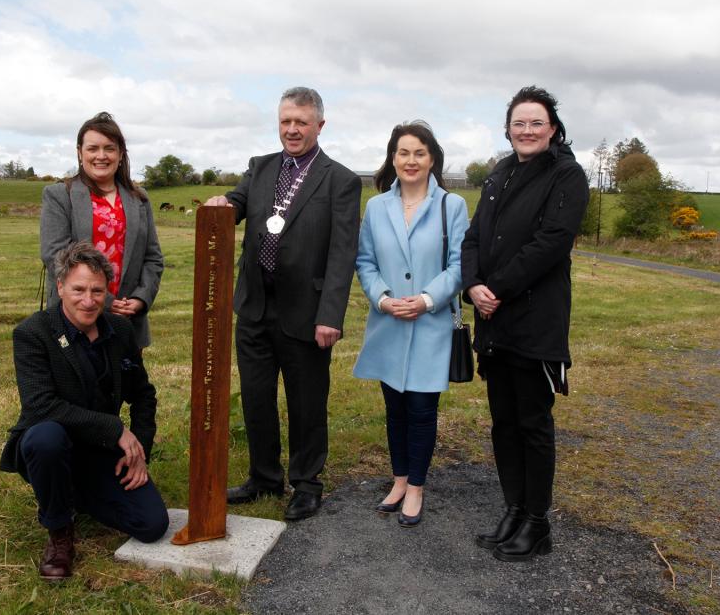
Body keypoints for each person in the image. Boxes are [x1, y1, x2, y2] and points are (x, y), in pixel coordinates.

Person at [205, 87, 361, 520]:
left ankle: (307, 483)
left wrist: (330, 315)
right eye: (285, 122)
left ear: (319, 126)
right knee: (256, 397)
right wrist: (222, 204)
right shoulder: (260, 168)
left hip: (307, 313)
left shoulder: (340, 180)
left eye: (301, 122)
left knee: (307, 401)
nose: (292, 130)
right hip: (254, 307)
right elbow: (237, 203)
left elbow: (342, 253)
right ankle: (264, 477)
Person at [461, 86, 589, 560]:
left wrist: (497, 290)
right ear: (508, 128)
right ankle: (513, 509)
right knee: (503, 422)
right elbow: (474, 237)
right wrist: (472, 284)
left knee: (533, 423)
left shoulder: (566, 174)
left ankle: (537, 522)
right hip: (495, 323)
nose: (527, 130)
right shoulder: (499, 175)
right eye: (519, 123)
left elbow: (552, 241)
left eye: (536, 122)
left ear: (552, 127)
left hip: (534, 321)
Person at [0, 242, 169, 580]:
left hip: (98, 449)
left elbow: (143, 395)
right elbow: (41, 405)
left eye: (97, 290)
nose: (89, 301)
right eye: (78, 289)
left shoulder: (120, 330)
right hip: (49, 443)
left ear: (108, 291)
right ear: (60, 286)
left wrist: (140, 451)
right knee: (46, 437)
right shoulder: (33, 333)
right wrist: (117, 429)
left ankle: (69, 492)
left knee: (151, 525)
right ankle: (60, 531)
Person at [353, 121, 468, 527]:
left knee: (421, 408)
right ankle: (399, 480)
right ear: (393, 158)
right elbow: (365, 261)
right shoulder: (376, 207)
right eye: (403, 153)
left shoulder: (450, 206)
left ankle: (416, 487)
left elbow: (459, 265)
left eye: (419, 152)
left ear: (432, 157)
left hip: (431, 323)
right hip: (388, 324)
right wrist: (382, 298)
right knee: (395, 407)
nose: (411, 160)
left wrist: (425, 299)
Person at [40, 112, 163, 348]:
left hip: (127, 319)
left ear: (120, 154)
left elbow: (153, 257)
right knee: (75, 384)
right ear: (79, 152)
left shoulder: (139, 198)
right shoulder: (59, 195)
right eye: (92, 148)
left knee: (126, 385)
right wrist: (103, 300)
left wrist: (140, 299)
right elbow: (55, 255)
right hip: (75, 316)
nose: (101, 156)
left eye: (109, 148)